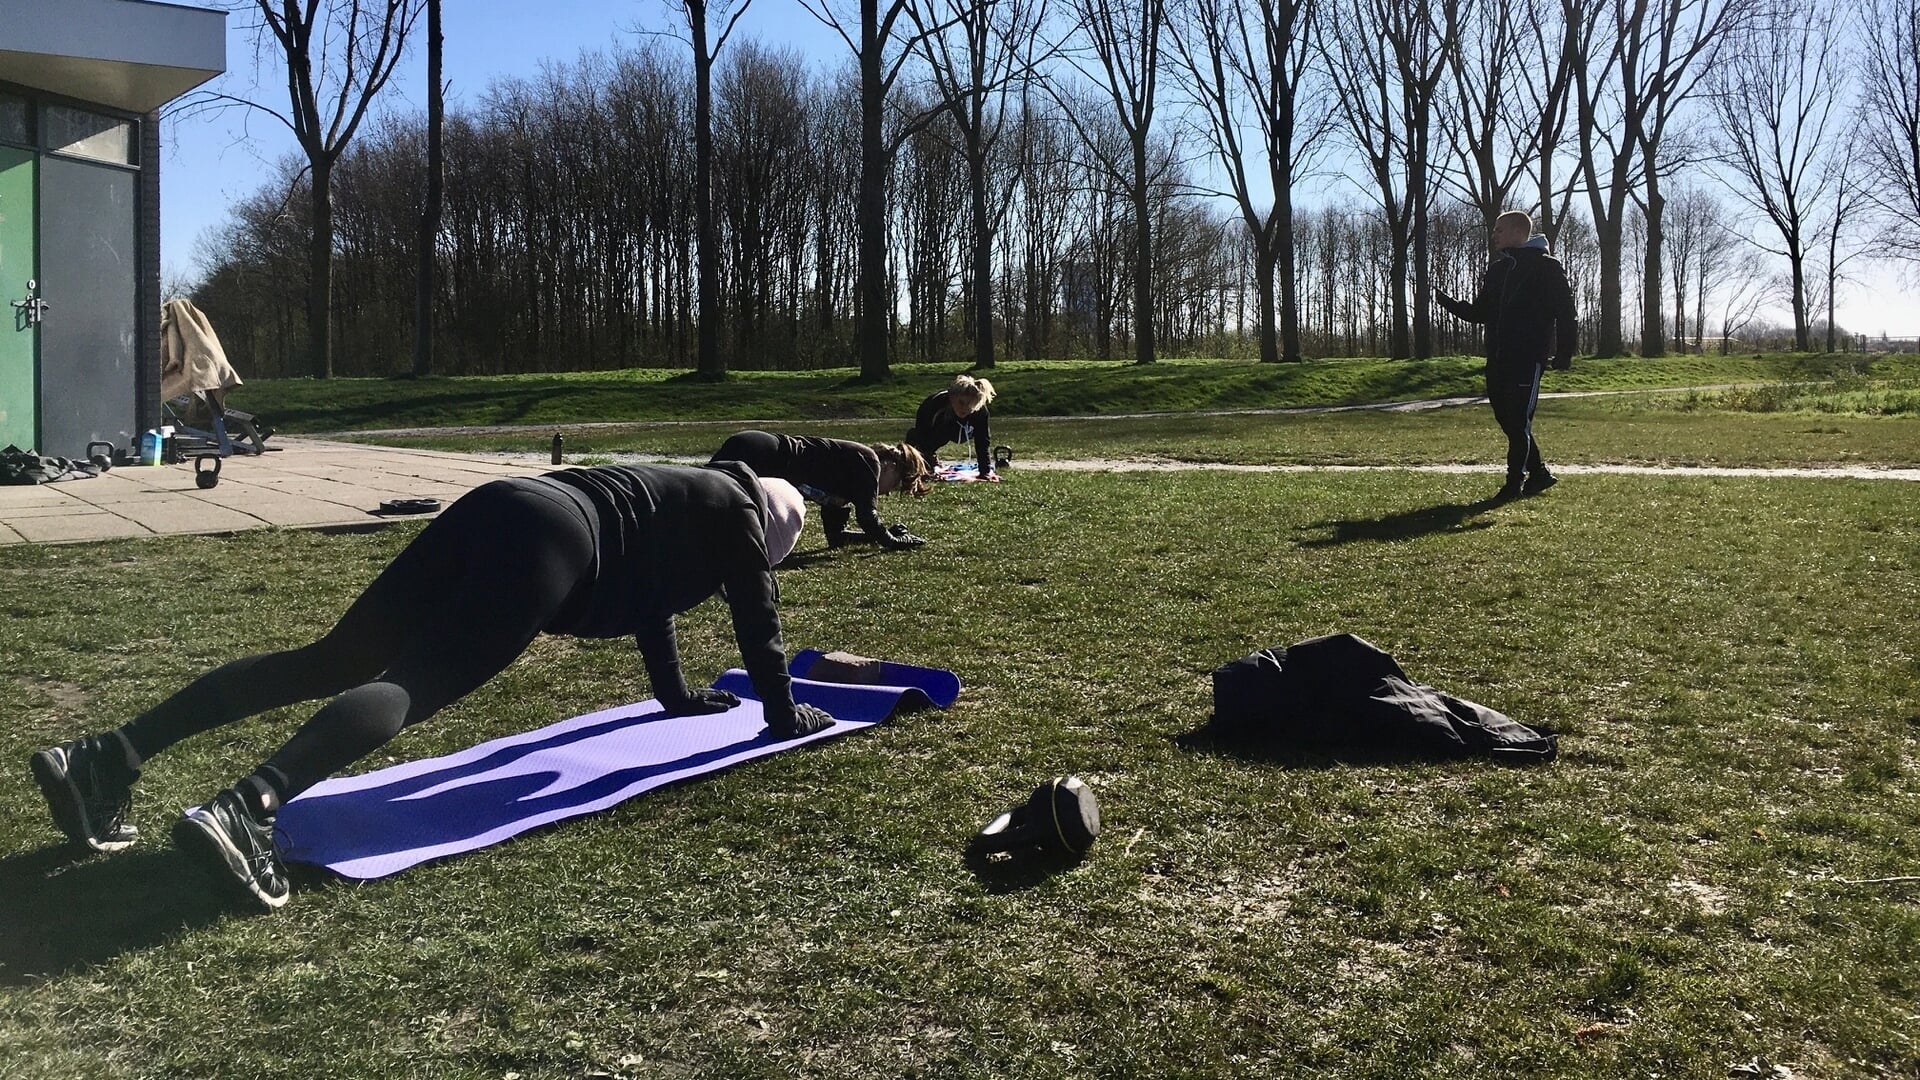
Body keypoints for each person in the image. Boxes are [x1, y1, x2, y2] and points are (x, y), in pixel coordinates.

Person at [28, 462, 834, 910]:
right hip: (555, 539)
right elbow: (760, 624)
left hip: (508, 503)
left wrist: (677, 699)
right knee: (414, 686)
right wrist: (782, 708)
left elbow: (651, 605)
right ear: (770, 535)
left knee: (335, 657)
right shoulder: (737, 519)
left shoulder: (687, 492)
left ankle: (108, 756)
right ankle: (249, 809)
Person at [1435, 210, 1578, 500]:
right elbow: (1481, 312)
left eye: (1499, 230)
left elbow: (1566, 314)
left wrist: (1564, 353)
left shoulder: (1547, 267)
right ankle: (1538, 473)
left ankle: (1514, 483)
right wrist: (1450, 304)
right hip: (1498, 358)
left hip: (1527, 358)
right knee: (1508, 420)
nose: (1494, 235)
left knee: (1517, 421)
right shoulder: (1498, 270)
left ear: (1516, 232)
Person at [710, 430, 933, 549]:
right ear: (891, 466)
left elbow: (836, 537)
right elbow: (867, 518)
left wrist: (878, 536)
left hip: (756, 451)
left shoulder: (848, 481)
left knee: (708, 501)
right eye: (894, 485)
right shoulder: (869, 462)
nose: (885, 493)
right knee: (709, 503)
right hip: (760, 453)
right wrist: (892, 541)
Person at [906, 374, 999, 480]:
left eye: (969, 404)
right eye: (961, 402)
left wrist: (985, 471)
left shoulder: (980, 411)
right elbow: (922, 432)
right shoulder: (934, 404)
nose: (964, 408)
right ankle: (925, 459)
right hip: (937, 430)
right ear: (952, 398)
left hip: (965, 431)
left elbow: (983, 441)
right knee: (917, 440)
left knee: (976, 435)